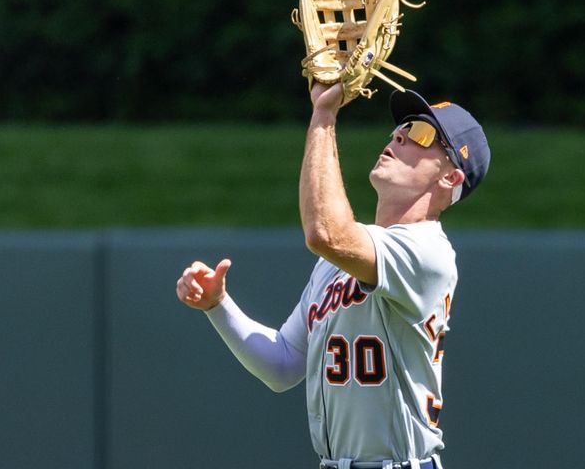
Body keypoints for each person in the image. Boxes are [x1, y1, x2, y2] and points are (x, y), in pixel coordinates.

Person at [176, 82, 490, 469]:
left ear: (450, 179)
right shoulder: (339, 261)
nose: (399, 135)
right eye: (400, 128)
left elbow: (325, 232)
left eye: (422, 134)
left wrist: (324, 115)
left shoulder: (428, 252)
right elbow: (283, 363)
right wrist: (217, 306)